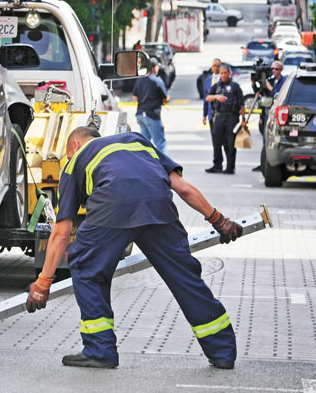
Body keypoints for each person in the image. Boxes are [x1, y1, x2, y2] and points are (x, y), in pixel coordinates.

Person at [25, 127, 242, 369]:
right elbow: (183, 188)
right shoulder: (138, 142)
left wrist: (43, 282)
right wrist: (219, 220)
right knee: (184, 277)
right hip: (158, 207)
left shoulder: (76, 160)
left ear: (74, 146)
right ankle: (223, 351)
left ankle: (100, 350)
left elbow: (61, 231)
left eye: (68, 154)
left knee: (87, 268)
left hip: (111, 207)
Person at [205, 64, 245, 174]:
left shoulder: (235, 86)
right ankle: (217, 165)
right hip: (219, 116)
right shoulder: (217, 86)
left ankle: (230, 167)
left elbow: (242, 103)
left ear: (229, 74)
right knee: (216, 141)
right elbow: (208, 98)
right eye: (221, 73)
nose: (223, 75)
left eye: (225, 73)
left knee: (230, 142)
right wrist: (217, 96)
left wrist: (243, 119)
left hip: (232, 117)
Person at [132, 57, 170, 153]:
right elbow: (166, 98)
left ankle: (144, 166)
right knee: (160, 143)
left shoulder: (139, 80)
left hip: (140, 115)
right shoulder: (156, 80)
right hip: (152, 115)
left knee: (144, 145)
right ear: (154, 68)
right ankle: (166, 168)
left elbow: (135, 97)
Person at [201, 58, 221, 130]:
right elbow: (205, 98)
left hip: (221, 114)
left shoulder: (223, 79)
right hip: (211, 114)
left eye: (218, 66)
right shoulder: (208, 80)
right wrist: (204, 115)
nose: (216, 68)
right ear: (211, 67)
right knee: (214, 137)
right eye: (214, 66)